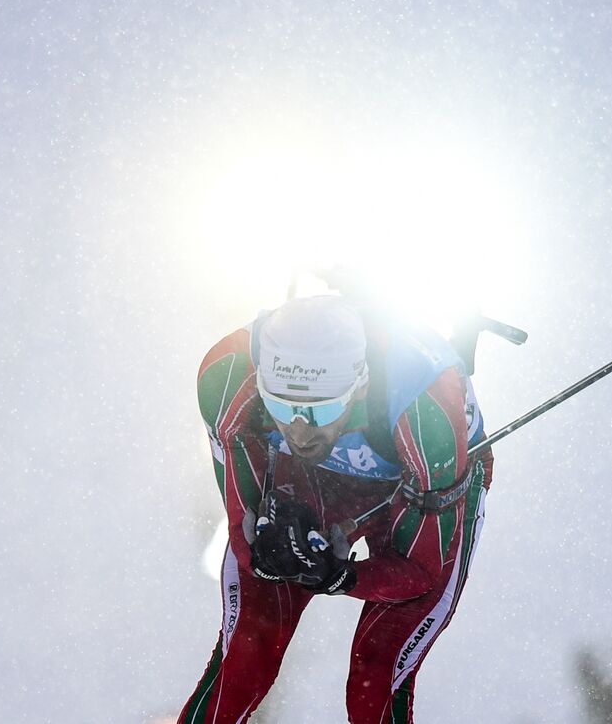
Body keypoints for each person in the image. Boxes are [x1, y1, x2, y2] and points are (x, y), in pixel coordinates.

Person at [178, 294, 492, 723]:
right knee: (245, 657)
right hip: (316, 477)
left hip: (414, 484)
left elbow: (419, 574)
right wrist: (268, 553)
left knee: (375, 676)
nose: (300, 430)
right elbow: (244, 528)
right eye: (280, 406)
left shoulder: (427, 416)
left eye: (320, 408)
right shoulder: (228, 375)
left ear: (358, 386)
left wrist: (343, 576)